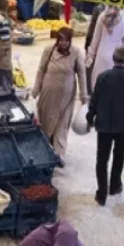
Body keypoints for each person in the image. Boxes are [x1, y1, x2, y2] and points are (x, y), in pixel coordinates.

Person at [88, 46, 124, 205]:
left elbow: (95, 101)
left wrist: (90, 118)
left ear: (113, 59)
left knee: (102, 159)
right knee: (119, 155)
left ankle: (102, 194)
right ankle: (114, 186)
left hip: (104, 125)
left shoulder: (103, 77)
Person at [32, 27, 87, 160]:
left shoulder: (76, 52)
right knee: (46, 122)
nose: (64, 43)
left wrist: (83, 94)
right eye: (61, 40)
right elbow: (41, 69)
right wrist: (36, 88)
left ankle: (59, 154)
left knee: (62, 125)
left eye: (66, 41)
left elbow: (81, 73)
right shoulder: (48, 50)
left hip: (66, 98)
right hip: (48, 95)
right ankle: (45, 150)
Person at [87, 5, 124, 86]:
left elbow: (96, 38)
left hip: (102, 54)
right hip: (117, 56)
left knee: (99, 81)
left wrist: (90, 55)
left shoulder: (102, 16)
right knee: (114, 84)